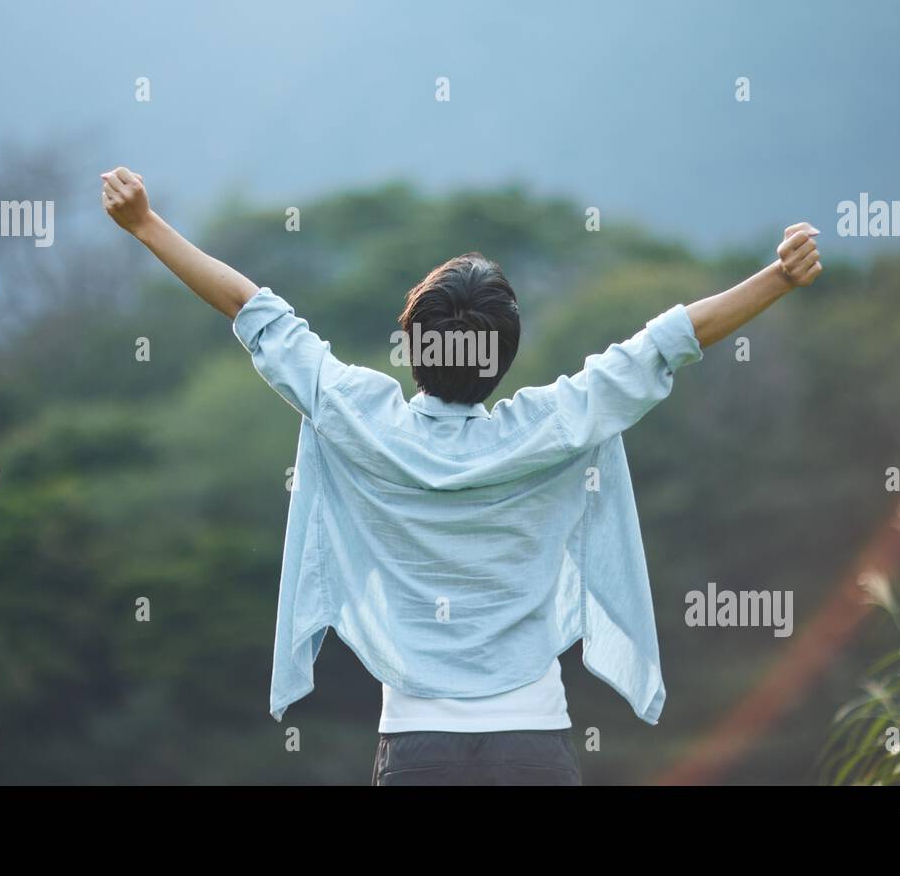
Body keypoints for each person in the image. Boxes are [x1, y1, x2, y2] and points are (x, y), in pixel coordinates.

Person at [101, 166, 822, 785]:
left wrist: (146, 224)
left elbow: (251, 309)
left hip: (417, 748)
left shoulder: (359, 415)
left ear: (412, 344)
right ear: (502, 355)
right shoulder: (553, 424)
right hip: (535, 745)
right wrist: (779, 276)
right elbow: (667, 345)